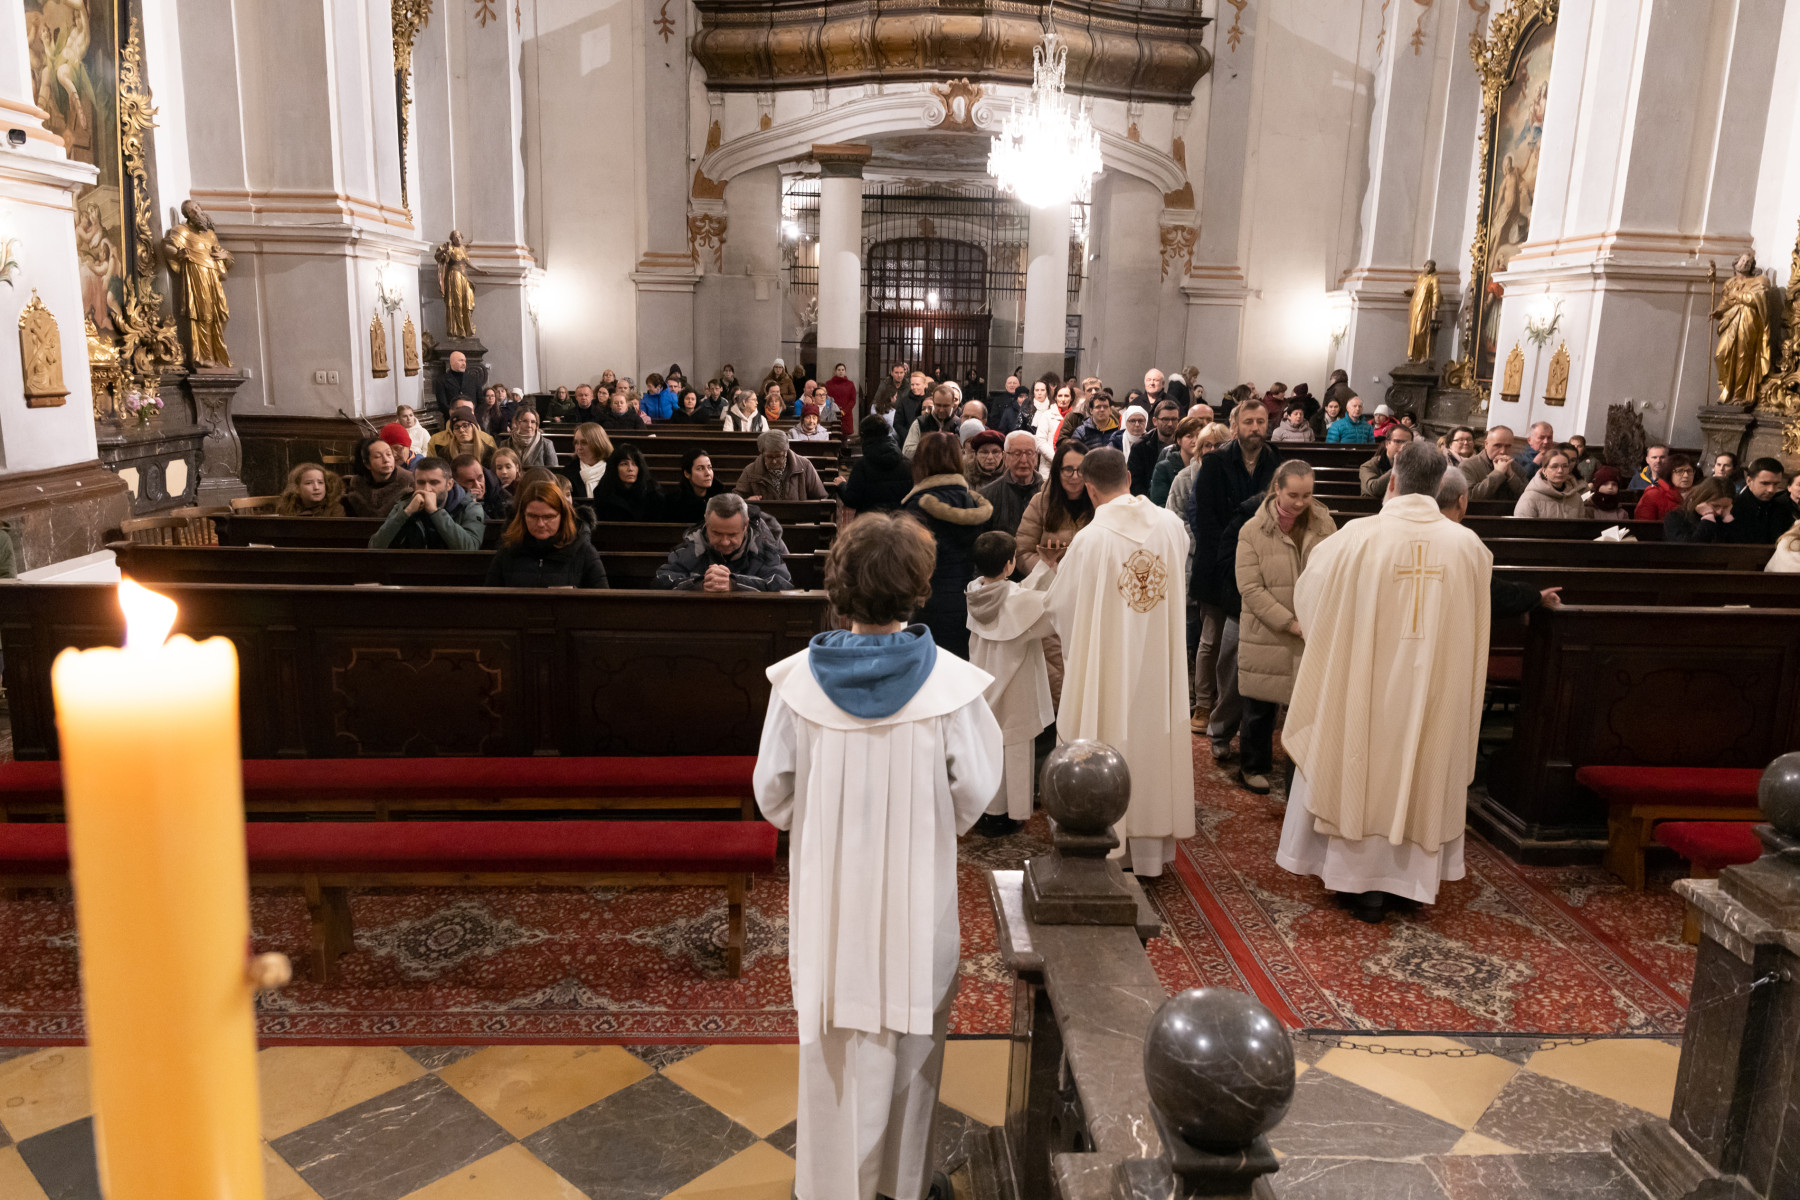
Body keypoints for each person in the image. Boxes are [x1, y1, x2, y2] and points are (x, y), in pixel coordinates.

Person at [752, 512, 997, 1200]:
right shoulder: (949, 687)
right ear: (917, 588)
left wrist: (823, 824)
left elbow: (773, 796)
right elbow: (976, 792)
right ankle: (901, 1186)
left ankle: (827, 1186)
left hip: (830, 909)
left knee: (832, 1042)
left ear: (840, 587)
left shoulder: (798, 685)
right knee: (912, 1043)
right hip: (916, 908)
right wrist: (926, 823)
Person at [1276, 441, 1491, 922]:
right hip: (1435, 691)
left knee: (1357, 761)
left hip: (1363, 684)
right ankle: (1410, 882)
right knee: (1423, 761)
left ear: (1392, 478)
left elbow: (1308, 600)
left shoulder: (1356, 537)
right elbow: (1478, 633)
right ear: (1441, 485)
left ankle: (1357, 882)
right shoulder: (1468, 547)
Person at [1045, 447, 1195, 878]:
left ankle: (1104, 846)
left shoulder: (1090, 539)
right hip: (1158, 663)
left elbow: (1060, 606)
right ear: (1129, 478)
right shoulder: (1171, 526)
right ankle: (1149, 855)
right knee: (1154, 741)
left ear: (1089, 488)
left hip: (1109, 666)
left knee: (1107, 730)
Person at [1231, 460, 1335, 794]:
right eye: (1293, 495)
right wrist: (1290, 623)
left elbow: (1335, 572)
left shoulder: (1324, 524)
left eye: (1307, 495)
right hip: (1268, 632)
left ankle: (1297, 773)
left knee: (1303, 710)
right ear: (1277, 489)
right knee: (1259, 708)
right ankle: (1253, 766)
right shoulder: (1253, 530)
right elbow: (1250, 588)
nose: (1301, 502)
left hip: (1311, 630)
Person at [1189, 399, 1274, 752]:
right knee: (1212, 640)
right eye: (1249, 422)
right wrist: (1229, 556)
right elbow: (1204, 517)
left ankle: (1236, 713)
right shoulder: (1215, 462)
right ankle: (1203, 702)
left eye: (1261, 422)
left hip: (1259, 564)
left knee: (1243, 644)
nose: (1255, 428)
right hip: (1217, 562)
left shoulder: (1275, 462)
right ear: (1235, 426)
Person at [901, 432, 994, 659]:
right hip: (967, 598)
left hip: (928, 602)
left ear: (921, 463)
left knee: (930, 667)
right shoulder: (973, 502)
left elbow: (909, 562)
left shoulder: (917, 505)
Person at [655, 492, 794, 591]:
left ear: (745, 526)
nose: (725, 542)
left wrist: (734, 583)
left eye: (732, 535)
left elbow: (783, 584)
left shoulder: (763, 547)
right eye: (716, 533)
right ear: (707, 522)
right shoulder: (691, 546)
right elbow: (661, 581)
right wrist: (700, 584)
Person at [483, 479, 608, 588]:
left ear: (562, 517)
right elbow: (490, 600)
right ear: (523, 516)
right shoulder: (508, 550)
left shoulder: (583, 552)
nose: (540, 524)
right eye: (532, 516)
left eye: (548, 517)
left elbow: (601, 602)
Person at [368, 456, 486, 550]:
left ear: (449, 484)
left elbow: (469, 547)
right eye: (421, 482)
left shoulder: (470, 507)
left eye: (434, 482)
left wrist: (435, 512)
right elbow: (375, 546)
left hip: (453, 571)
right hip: (410, 570)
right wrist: (406, 513)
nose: (426, 489)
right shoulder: (404, 505)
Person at [1017, 440, 1092, 576]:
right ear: (1057, 471)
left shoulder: (1099, 503)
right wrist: (1048, 570)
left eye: (1081, 470)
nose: (1075, 476)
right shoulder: (1040, 502)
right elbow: (1022, 552)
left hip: (1089, 582)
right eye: (1068, 469)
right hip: (1049, 583)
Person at [841, 417, 915, 514]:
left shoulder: (862, 466)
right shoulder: (907, 464)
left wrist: (841, 485)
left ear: (864, 436)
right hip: (898, 521)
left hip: (869, 521)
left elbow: (851, 500)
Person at [979, 431, 1044, 538]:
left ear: (1036, 457)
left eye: (1029, 453)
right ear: (1005, 458)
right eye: (1017, 454)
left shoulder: (1048, 494)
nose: (1024, 460)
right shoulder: (987, 496)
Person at [738, 430, 828, 501]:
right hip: (764, 519)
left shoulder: (804, 466)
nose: (774, 461)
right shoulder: (751, 471)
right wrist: (746, 502)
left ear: (786, 452)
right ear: (762, 453)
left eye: (778, 456)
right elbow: (737, 500)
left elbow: (821, 498)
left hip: (799, 518)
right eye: (769, 457)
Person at [588, 443, 664, 522]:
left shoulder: (653, 494)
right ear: (615, 468)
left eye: (634, 464)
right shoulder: (603, 493)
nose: (630, 469)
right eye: (624, 464)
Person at [1733, 458, 1800, 543]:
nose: (1771, 490)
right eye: (1765, 483)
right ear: (1749, 481)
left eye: (1776, 484)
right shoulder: (1732, 507)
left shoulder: (1782, 509)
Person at [343, 436, 414, 517]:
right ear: (367, 464)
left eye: (388, 454)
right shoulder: (358, 484)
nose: (386, 460)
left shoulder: (409, 481)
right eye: (378, 456)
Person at [1513, 448, 1590, 518]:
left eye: (1565, 466)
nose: (1560, 471)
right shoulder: (1529, 498)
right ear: (1544, 471)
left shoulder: (1576, 497)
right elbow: (1522, 527)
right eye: (1554, 466)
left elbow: (1581, 526)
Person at [664, 446, 731, 526]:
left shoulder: (722, 498)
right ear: (687, 474)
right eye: (700, 469)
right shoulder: (674, 503)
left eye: (709, 467)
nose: (707, 473)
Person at [1460, 426, 1526, 503]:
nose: (1503, 451)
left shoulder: (1516, 468)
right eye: (1497, 445)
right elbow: (1470, 497)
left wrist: (1511, 476)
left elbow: (1526, 497)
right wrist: (1498, 473)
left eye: (1508, 446)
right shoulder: (1467, 466)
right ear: (1486, 444)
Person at [1127, 401, 1181, 495]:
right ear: (1155, 421)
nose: (1170, 424)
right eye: (1165, 419)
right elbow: (1135, 483)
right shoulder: (1140, 447)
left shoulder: (1183, 444)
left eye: (1174, 419)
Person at [1664, 477, 1738, 542]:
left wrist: (1728, 520)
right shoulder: (1675, 517)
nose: (1719, 512)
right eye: (1715, 506)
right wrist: (1708, 518)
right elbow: (1690, 548)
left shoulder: (1725, 517)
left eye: (1725, 507)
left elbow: (1738, 547)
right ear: (1702, 500)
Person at [559, 423, 613, 504]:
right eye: (576, 443)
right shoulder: (567, 473)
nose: (579, 447)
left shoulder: (615, 469)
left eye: (584, 443)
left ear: (598, 443)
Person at [902, 385, 961, 458]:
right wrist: (932, 446)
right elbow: (907, 452)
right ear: (933, 402)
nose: (941, 410)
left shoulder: (958, 424)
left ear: (953, 403)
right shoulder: (920, 422)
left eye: (946, 406)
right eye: (938, 405)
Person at [1632, 454, 1693, 523]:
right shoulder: (1653, 494)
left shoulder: (1698, 493)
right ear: (1669, 473)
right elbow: (1644, 525)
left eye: (1689, 471)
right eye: (1679, 471)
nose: (1686, 475)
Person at [452, 453, 511, 523]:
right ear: (456, 483)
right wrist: (473, 505)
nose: (477, 485)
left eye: (480, 477)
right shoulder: (451, 500)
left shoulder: (495, 488)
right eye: (470, 481)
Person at [1358, 425, 1415, 498]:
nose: (1402, 447)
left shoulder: (1416, 465)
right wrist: (1397, 467)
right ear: (1387, 444)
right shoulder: (1368, 466)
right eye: (1397, 442)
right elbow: (1374, 490)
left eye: (1407, 444)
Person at [429, 404, 496, 466]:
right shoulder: (444, 454)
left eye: (465, 425)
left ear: (474, 428)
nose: (461, 430)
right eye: (457, 427)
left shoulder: (489, 453)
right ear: (453, 432)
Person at [276, 463, 345, 517]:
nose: (316, 487)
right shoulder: (287, 508)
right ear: (297, 488)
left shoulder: (334, 509)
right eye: (308, 483)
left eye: (320, 482)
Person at [504, 405, 558, 469]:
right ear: (517, 423)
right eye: (525, 421)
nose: (529, 425)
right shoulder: (506, 444)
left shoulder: (546, 444)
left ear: (536, 425)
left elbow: (553, 472)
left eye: (533, 422)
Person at [433, 349, 479, 417]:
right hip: (451, 418)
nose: (464, 363)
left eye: (465, 361)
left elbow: (480, 400)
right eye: (461, 360)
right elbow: (442, 404)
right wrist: (456, 414)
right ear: (452, 362)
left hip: (472, 417)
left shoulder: (473, 379)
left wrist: (471, 413)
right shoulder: (441, 380)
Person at [823, 362, 858, 437]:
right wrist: (830, 410)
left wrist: (844, 411)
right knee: (832, 434)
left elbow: (853, 400)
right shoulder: (828, 384)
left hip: (846, 414)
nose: (841, 372)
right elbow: (826, 398)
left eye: (842, 370)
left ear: (845, 371)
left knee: (844, 436)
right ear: (835, 371)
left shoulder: (850, 384)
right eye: (839, 370)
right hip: (832, 413)